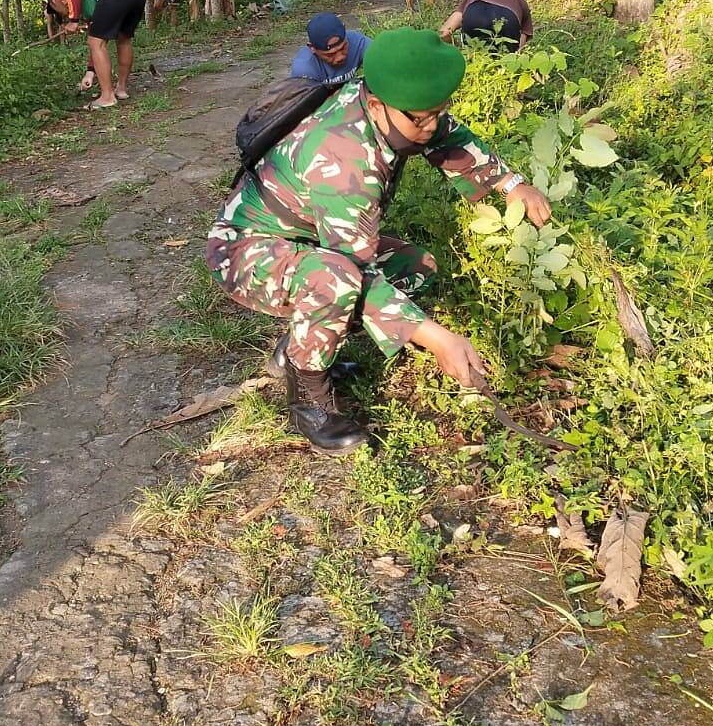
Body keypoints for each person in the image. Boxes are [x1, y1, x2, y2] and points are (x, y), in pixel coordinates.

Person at [207, 28, 552, 452]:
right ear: (375, 105)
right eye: (420, 118)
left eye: (437, 111)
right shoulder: (343, 156)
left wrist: (513, 185)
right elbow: (356, 269)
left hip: (309, 239)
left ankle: (301, 340)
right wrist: (439, 339)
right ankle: (308, 395)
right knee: (337, 280)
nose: (430, 126)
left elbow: (448, 137)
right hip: (246, 250)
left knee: (415, 267)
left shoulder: (394, 104)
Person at [45, 0, 147, 110]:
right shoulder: (89, 2)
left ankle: (107, 97)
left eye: (57, 10)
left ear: (53, 0)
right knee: (123, 39)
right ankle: (121, 89)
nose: (65, 11)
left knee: (96, 42)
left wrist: (73, 21)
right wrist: (90, 72)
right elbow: (97, 40)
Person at [439, 0, 534, 49]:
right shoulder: (520, 0)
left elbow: (444, 33)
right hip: (509, 19)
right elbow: (519, 48)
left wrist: (459, 50)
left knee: (473, 55)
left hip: (474, 14)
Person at [290, 12, 370, 83]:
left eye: (343, 48)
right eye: (330, 54)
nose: (340, 57)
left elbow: (377, 60)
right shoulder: (304, 70)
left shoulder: (358, 42)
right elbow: (305, 95)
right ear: (312, 48)